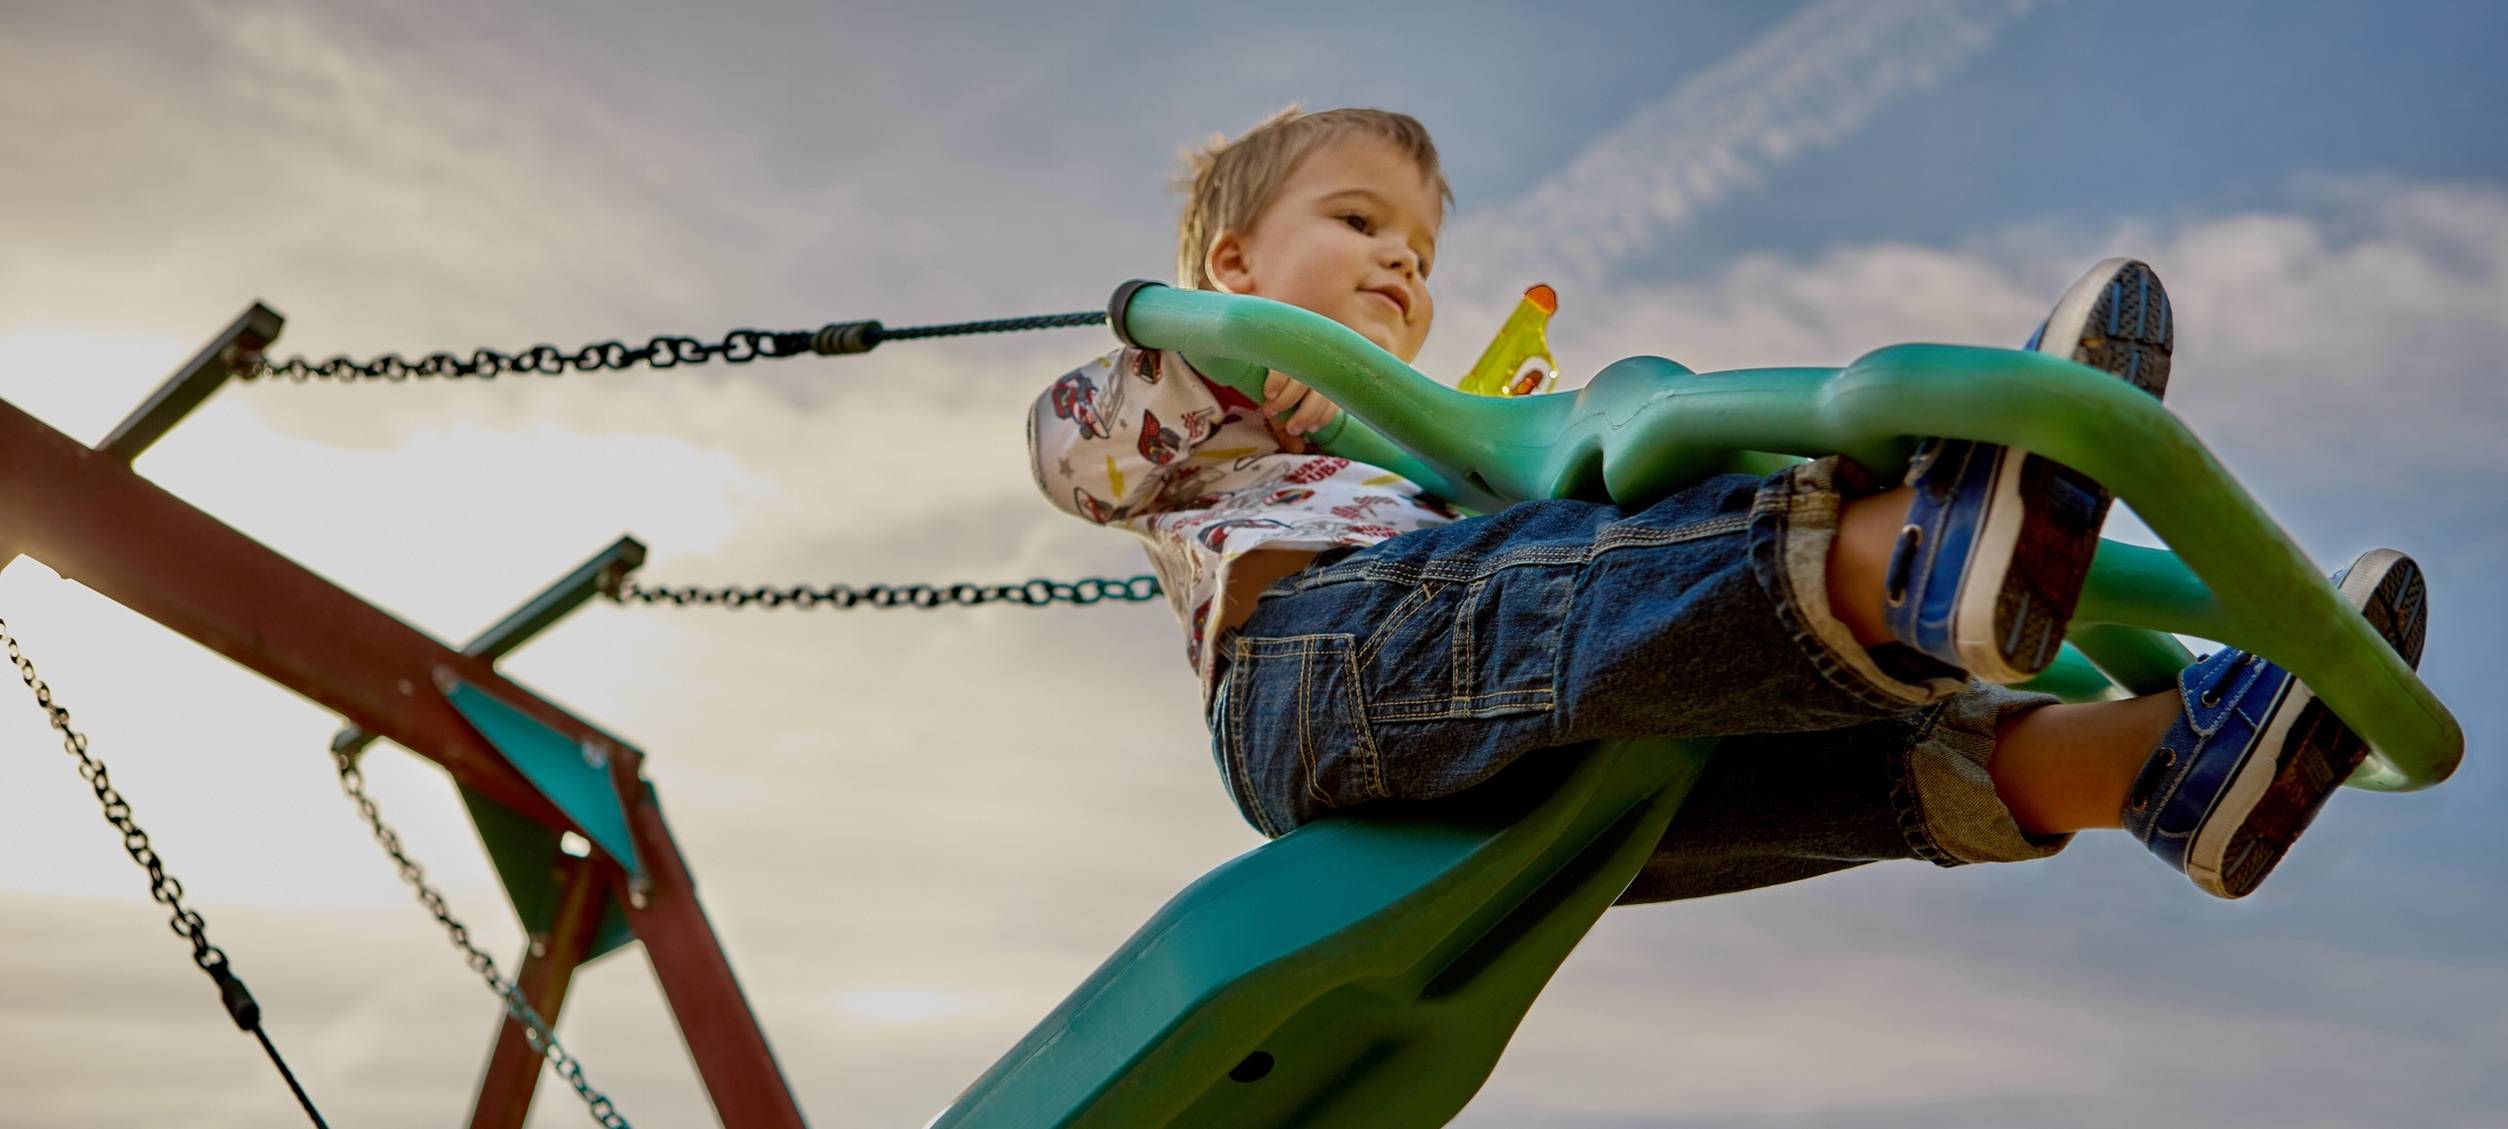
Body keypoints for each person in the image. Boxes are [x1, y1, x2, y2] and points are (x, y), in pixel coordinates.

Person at [1026, 106, 2427, 901]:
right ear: (1229, 261)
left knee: (1736, 764)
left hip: (1487, 762)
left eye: (1418, 248)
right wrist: (1214, 344)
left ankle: (2148, 760)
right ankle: (1904, 554)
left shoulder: (1423, 447)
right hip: (1313, 691)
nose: (1398, 263)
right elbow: (1071, 449)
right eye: (1357, 224)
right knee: (1575, 575)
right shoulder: (1181, 407)